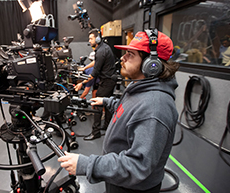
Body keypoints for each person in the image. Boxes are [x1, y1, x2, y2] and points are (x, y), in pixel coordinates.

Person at [58, 29, 180, 193]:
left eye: (130, 54)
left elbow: (138, 166)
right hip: (119, 180)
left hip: (131, 187)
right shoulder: (141, 87)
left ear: (152, 65)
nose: (123, 57)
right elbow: (130, 111)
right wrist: (107, 101)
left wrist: (87, 165)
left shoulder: (155, 107)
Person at [75, 28, 116, 140]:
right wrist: (84, 68)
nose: (89, 41)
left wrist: (81, 84)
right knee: (107, 104)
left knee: (97, 105)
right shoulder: (103, 48)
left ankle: (96, 132)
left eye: (91, 38)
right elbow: (96, 62)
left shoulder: (101, 51)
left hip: (107, 82)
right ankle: (107, 126)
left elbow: (94, 74)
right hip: (110, 80)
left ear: (97, 38)